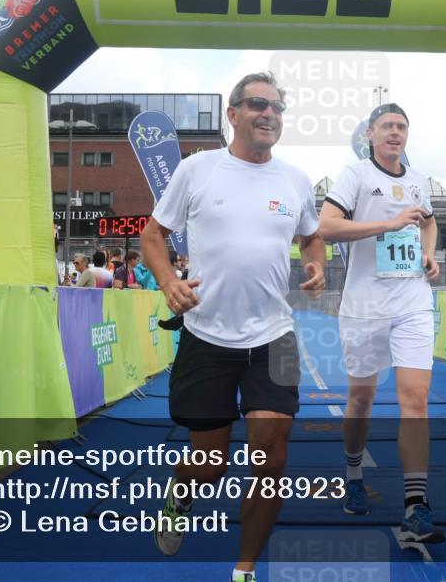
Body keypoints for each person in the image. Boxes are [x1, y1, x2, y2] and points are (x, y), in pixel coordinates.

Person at [141, 71, 326, 582]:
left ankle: (244, 570)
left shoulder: (295, 179)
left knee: (271, 462)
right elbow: (152, 235)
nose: (270, 114)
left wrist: (317, 264)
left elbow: (312, 237)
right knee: (211, 465)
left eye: (278, 107)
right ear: (233, 114)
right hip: (205, 336)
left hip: (276, 337)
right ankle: (180, 496)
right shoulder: (198, 170)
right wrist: (167, 283)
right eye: (258, 105)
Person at [318, 102, 443, 543]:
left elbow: (429, 224)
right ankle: (353, 471)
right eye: (387, 126)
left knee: (416, 399)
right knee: (362, 401)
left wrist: (429, 254)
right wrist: (387, 224)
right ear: (371, 134)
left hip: (412, 300)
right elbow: (326, 227)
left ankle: (416, 506)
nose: (395, 133)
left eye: (402, 127)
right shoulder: (356, 175)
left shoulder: (417, 180)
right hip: (365, 304)